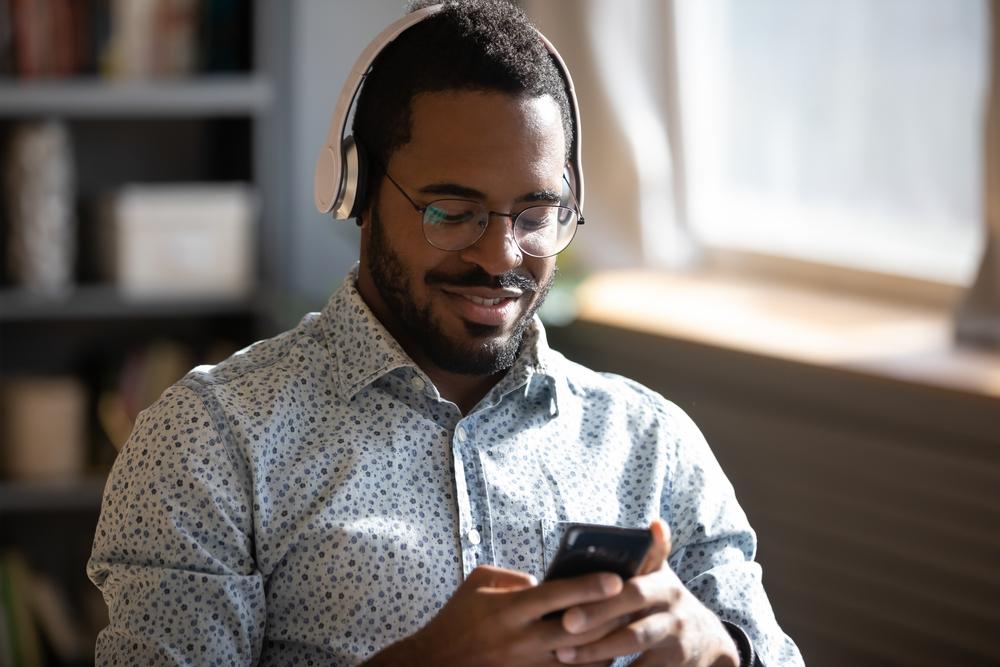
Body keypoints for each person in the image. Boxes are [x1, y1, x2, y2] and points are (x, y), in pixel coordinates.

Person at [88, 2, 804, 666]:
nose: (501, 258)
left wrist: (717, 647)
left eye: (534, 214)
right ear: (358, 193)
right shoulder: (212, 442)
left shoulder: (650, 443)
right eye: (452, 211)